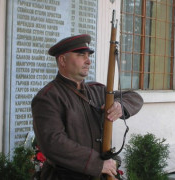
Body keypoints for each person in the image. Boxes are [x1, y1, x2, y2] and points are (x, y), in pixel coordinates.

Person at [31, 34, 143, 180]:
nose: (88, 61)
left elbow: (135, 98)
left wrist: (121, 106)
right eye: (81, 55)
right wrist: (97, 164)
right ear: (62, 60)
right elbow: (53, 143)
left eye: (88, 55)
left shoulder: (97, 91)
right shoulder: (48, 97)